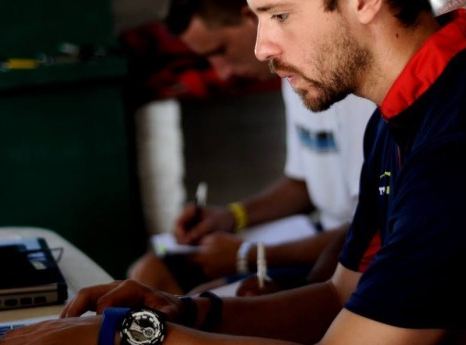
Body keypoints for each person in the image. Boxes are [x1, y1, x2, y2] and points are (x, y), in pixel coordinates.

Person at [0, 1, 466, 344]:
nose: (262, 48)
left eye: (279, 15)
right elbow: (337, 298)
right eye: (257, 18)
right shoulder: (401, 115)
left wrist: (126, 334)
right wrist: (183, 311)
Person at [234, 0, 466, 296]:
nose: (261, 49)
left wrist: (246, 258)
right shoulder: (390, 119)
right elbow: (341, 292)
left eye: (280, 15)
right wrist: (202, 311)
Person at [127, 0, 376, 296]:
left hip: (344, 247)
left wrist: (250, 255)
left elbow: (371, 227)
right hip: (319, 231)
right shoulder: (293, 76)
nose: (221, 73)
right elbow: (304, 183)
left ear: (252, 18)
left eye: (221, 51)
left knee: (200, 304)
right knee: (150, 272)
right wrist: (231, 217)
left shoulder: (348, 86)